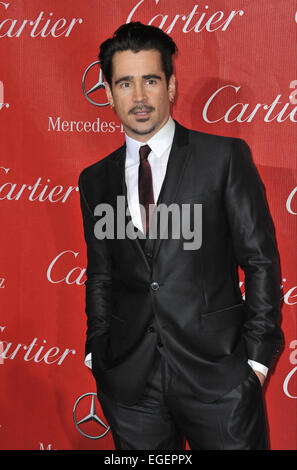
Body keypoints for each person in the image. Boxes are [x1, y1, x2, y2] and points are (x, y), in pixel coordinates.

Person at [78, 22, 283, 450]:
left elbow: (260, 260)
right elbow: (101, 273)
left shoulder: (222, 158)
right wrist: (98, 351)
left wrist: (255, 363)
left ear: (171, 86)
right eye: (125, 83)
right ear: (108, 91)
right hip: (132, 388)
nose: (138, 96)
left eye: (150, 80)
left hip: (220, 382)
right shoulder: (95, 180)